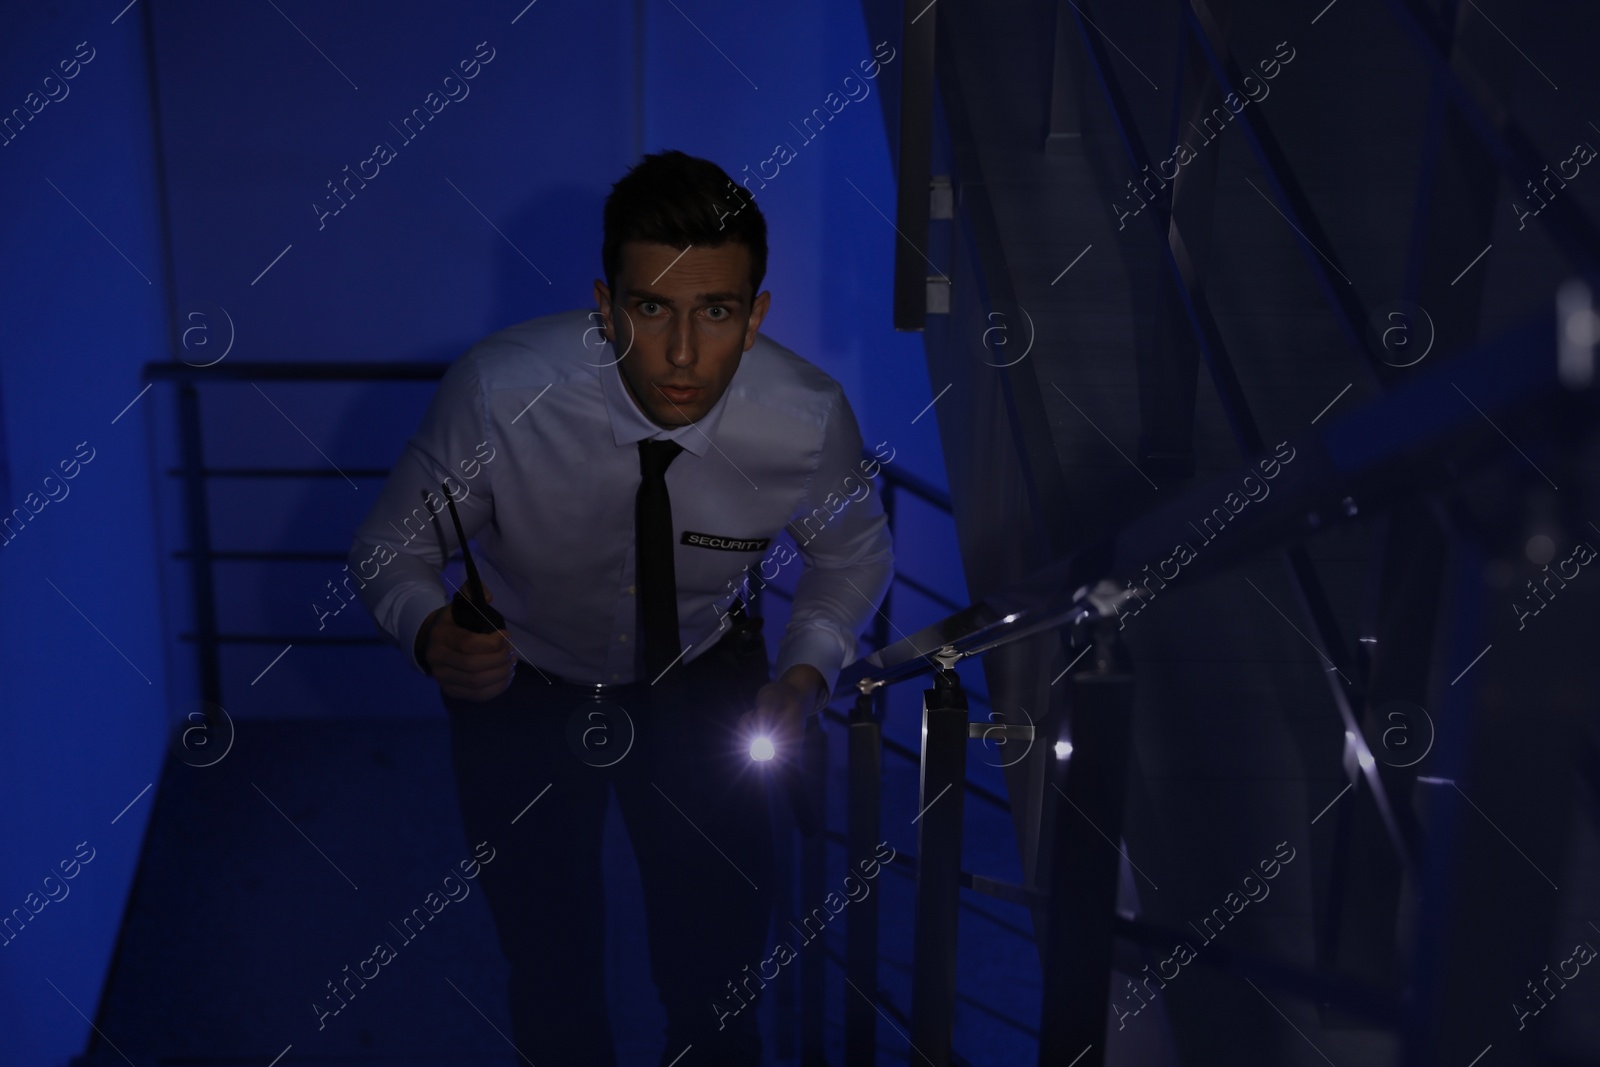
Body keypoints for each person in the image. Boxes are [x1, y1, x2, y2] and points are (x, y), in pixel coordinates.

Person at [346, 149, 894, 1065]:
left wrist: (808, 666)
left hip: (705, 681)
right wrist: (430, 629)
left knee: (718, 972)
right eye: (652, 309)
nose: (683, 355)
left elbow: (853, 552)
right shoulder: (498, 394)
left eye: (716, 312)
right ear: (606, 306)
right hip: (521, 691)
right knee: (548, 956)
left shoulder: (805, 419)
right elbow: (388, 549)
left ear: (756, 316)